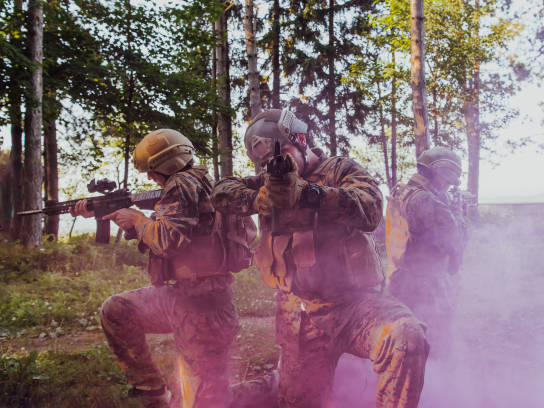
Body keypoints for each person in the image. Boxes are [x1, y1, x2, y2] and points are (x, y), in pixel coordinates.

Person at [212, 109, 429, 408]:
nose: (277, 165)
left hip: (355, 306)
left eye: (284, 152)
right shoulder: (267, 181)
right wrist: (259, 199)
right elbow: (221, 192)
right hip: (300, 314)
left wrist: (310, 195)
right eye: (264, 163)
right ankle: (272, 385)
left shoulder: (339, 169)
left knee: (406, 337)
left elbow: (370, 208)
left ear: (300, 139)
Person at [70, 129, 241, 408]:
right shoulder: (196, 181)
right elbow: (176, 233)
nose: (150, 177)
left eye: (152, 170)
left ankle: (271, 387)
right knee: (117, 310)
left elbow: (168, 240)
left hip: (204, 312)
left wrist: (137, 220)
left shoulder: (181, 184)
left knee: (203, 401)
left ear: (166, 164)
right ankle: (151, 391)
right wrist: (110, 214)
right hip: (181, 300)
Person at [385, 146, 467, 354]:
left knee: (403, 344)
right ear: (435, 174)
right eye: (447, 180)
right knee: (435, 345)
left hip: (398, 280)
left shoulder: (401, 192)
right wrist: (457, 212)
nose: (448, 186)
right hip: (426, 288)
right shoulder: (427, 200)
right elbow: (454, 241)